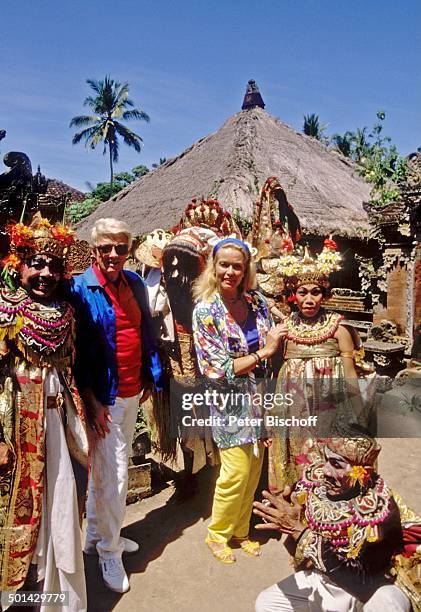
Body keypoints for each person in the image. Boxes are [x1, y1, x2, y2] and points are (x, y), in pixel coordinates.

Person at [70, 218, 163, 593]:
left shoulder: (136, 283)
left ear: (129, 249)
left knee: (109, 473)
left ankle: (96, 538)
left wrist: (148, 377)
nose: (113, 255)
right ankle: (110, 550)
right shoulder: (79, 289)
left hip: (130, 391)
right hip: (102, 399)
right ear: (94, 249)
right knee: (116, 474)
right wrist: (90, 401)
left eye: (120, 248)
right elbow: (75, 353)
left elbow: (145, 333)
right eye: (106, 247)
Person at [0, 213, 88, 611]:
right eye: (37, 263)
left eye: (54, 265)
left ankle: (54, 595)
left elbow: (68, 372)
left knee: (60, 507)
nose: (46, 273)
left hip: (57, 425)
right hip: (16, 429)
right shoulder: (6, 314)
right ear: (17, 265)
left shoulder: (67, 315)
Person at [253, 425, 420, 611]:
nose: (325, 471)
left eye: (336, 464)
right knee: (267, 602)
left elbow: (363, 582)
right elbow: (302, 550)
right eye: (326, 459)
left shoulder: (378, 509)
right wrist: (297, 517)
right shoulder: (315, 484)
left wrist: (301, 533)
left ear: (363, 472)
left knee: (388, 603)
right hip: (324, 578)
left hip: (370, 587)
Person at [192, 237, 286, 563]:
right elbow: (217, 369)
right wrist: (264, 352)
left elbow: (275, 338)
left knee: (254, 470)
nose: (230, 271)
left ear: (246, 269)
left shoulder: (257, 303)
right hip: (229, 403)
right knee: (235, 472)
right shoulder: (206, 311)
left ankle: (241, 530)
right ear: (213, 267)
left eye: (237, 265)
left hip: (260, 398)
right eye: (224, 264)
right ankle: (217, 533)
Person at [268, 239, 372, 492]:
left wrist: (358, 415)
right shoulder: (282, 329)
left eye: (316, 292)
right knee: (299, 456)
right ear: (294, 295)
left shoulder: (339, 328)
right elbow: (275, 372)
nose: (309, 299)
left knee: (331, 456)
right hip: (295, 407)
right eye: (303, 292)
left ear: (324, 294)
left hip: (330, 405)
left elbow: (349, 376)